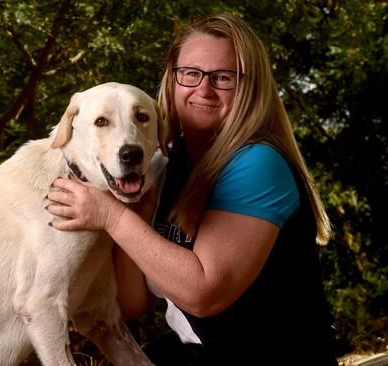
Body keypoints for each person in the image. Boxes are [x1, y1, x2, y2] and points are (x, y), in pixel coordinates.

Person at [46, 13, 337, 366]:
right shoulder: (165, 165)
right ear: (172, 79)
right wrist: (135, 207)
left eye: (224, 77)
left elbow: (203, 294)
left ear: (251, 87)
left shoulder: (258, 163)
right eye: (191, 74)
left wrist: (111, 216)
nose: (203, 89)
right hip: (196, 353)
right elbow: (133, 302)